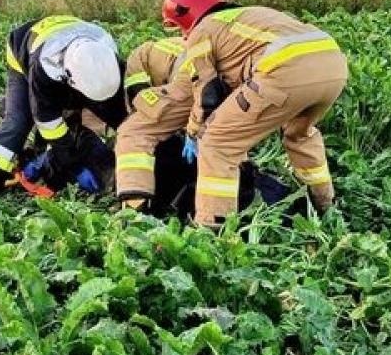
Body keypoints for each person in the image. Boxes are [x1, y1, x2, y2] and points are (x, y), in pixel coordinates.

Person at [164, 0, 348, 226]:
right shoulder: (250, 14)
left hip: (284, 70)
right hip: (332, 66)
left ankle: (212, 230)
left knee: (218, 143)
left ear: (185, 15)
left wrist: (194, 131)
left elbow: (207, 92)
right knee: (299, 135)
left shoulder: (202, 29)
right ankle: (326, 207)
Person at [115, 35, 293, 220]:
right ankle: (250, 196)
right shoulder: (171, 46)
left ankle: (135, 210)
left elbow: (145, 106)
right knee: (220, 147)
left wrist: (190, 131)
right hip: (228, 80)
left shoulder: (137, 61)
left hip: (193, 79)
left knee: (133, 132)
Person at [0, 15, 126, 195]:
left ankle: (41, 156)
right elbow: (48, 121)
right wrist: (67, 162)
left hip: (73, 38)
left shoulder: (108, 58)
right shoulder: (44, 67)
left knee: (116, 117)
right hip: (24, 49)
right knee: (18, 122)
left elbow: (120, 112)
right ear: (68, 78)